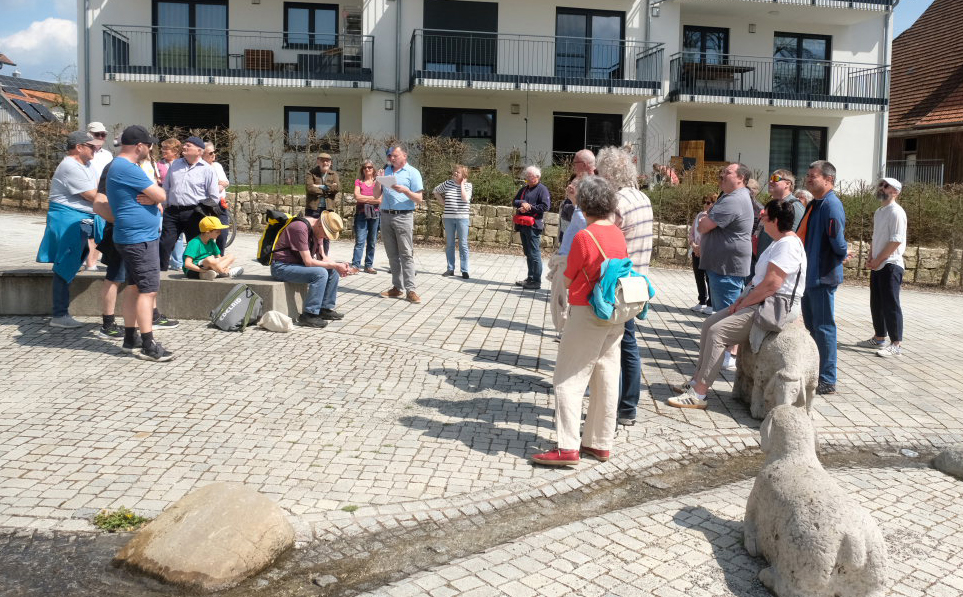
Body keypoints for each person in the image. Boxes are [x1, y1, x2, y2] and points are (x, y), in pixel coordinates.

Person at [668, 200, 807, 409]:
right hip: (761, 298)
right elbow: (760, 280)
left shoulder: (788, 245)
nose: (761, 221)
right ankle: (695, 381)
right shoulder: (779, 242)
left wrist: (743, 304)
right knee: (708, 324)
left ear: (776, 221)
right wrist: (741, 299)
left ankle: (699, 393)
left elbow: (772, 284)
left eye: (764, 217)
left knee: (717, 332)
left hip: (776, 305)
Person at [532, 176, 627, 466]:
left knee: (568, 378)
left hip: (587, 312)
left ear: (584, 204)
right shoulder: (617, 233)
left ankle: (567, 447)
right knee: (606, 377)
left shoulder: (585, 236)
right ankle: (599, 443)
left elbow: (569, 276)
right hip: (614, 313)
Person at [105, 125, 173, 362]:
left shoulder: (120, 166)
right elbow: (162, 195)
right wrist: (155, 199)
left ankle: (129, 338)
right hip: (139, 239)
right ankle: (148, 345)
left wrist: (153, 200)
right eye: (149, 145)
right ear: (139, 146)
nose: (151, 149)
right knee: (148, 290)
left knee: (134, 288)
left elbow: (155, 197)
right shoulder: (127, 167)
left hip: (133, 236)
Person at [596, 146, 653, 427]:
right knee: (628, 344)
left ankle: (618, 406)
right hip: (639, 279)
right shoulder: (642, 197)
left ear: (608, 173)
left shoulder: (617, 202)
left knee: (615, 347)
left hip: (619, 283)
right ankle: (628, 406)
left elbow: (603, 239)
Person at [36, 130, 100, 328]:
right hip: (69, 218)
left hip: (82, 217)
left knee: (74, 259)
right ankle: (59, 314)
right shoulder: (70, 166)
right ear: (79, 147)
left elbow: (98, 191)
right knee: (66, 261)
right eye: (91, 146)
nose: (95, 149)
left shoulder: (87, 165)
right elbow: (91, 194)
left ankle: (61, 312)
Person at [798, 160, 848, 395]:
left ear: (829, 180)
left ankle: (827, 379)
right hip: (809, 277)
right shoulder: (815, 203)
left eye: (813, 176)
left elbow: (837, 240)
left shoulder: (831, 205)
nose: (808, 179)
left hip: (822, 277)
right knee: (812, 326)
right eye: (808, 175)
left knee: (824, 328)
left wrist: (844, 253)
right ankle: (815, 372)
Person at [699, 163, 755, 371]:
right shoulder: (731, 197)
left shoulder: (734, 199)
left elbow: (704, 225)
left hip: (726, 266)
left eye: (728, 172)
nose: (722, 175)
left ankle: (729, 355)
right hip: (724, 264)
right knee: (727, 308)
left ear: (741, 178)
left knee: (727, 311)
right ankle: (729, 352)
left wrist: (705, 218)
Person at [269, 211, 350, 328]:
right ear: (320, 225)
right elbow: (309, 262)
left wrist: (339, 266)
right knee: (321, 273)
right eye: (326, 234)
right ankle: (309, 315)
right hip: (281, 267)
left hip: (296, 265)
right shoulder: (300, 228)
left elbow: (322, 258)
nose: (326, 237)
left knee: (332, 271)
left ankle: (324, 308)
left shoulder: (317, 229)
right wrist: (335, 265)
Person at [159, 135, 220, 272]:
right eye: (185, 144)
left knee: (195, 244)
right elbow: (166, 187)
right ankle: (160, 273)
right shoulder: (175, 164)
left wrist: (204, 211)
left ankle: (195, 272)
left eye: (188, 145)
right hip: (173, 211)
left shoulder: (207, 169)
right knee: (165, 243)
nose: (184, 147)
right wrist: (165, 205)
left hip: (194, 213)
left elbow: (214, 197)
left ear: (199, 151)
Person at [863, 177, 907, 358]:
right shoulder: (879, 211)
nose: (881, 188)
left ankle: (896, 344)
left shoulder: (896, 212)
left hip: (891, 264)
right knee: (876, 302)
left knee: (890, 304)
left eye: (886, 186)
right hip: (878, 263)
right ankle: (879, 337)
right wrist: (871, 257)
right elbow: (876, 237)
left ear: (895, 192)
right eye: (880, 185)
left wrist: (879, 259)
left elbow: (896, 240)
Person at [375, 144, 424, 304]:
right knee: (392, 254)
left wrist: (405, 191)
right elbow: (376, 195)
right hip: (385, 215)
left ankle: (411, 290)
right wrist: (378, 181)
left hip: (403, 216)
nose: (391, 158)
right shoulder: (386, 171)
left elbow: (419, 198)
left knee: (406, 254)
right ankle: (397, 287)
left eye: (395, 156)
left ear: (404, 156)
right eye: (390, 156)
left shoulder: (413, 172)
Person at [547, 180, 588, 339]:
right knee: (561, 300)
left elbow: (587, 231)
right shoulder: (577, 209)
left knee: (561, 300)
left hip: (568, 262)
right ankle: (566, 331)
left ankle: (565, 333)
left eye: (575, 186)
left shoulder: (581, 212)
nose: (570, 187)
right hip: (565, 259)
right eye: (570, 183)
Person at [513, 165, 551, 290]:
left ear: (537, 177)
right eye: (527, 176)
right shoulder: (524, 189)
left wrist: (529, 207)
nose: (527, 178)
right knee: (528, 252)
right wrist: (522, 203)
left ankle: (536, 281)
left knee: (534, 253)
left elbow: (545, 206)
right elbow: (514, 201)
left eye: (530, 176)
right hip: (523, 224)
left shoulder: (542, 189)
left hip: (534, 225)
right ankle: (530, 278)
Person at [433, 164, 473, 278]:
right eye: (454, 171)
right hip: (449, 218)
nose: (455, 173)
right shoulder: (448, 183)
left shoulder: (468, 185)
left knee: (463, 244)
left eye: (458, 172)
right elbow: (435, 191)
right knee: (450, 244)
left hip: (462, 218)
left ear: (464, 175)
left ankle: (464, 270)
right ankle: (450, 269)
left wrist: (462, 185)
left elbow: (465, 198)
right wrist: (442, 202)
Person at [757, 170, 805, 255]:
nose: (771, 181)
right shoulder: (773, 205)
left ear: (787, 184)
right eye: (770, 178)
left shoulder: (794, 206)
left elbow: (796, 236)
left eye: (775, 178)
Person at [689, 193, 717, 315]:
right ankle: (702, 301)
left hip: (708, 252)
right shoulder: (699, 215)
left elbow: (712, 236)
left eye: (708, 202)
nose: (706, 205)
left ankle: (711, 303)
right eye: (704, 202)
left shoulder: (714, 217)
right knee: (698, 276)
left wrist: (701, 248)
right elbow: (691, 232)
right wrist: (693, 245)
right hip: (695, 250)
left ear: (714, 204)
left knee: (709, 278)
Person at [202, 142, 231, 254]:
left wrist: (218, 184)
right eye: (210, 153)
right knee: (206, 232)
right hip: (205, 203)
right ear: (202, 154)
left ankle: (220, 255)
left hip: (220, 203)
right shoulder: (200, 167)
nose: (214, 154)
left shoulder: (217, 166)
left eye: (214, 152)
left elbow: (226, 182)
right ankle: (204, 255)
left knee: (223, 231)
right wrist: (218, 184)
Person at [352, 160, 380, 274]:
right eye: (365, 167)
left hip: (375, 214)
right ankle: (355, 265)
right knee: (360, 241)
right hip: (361, 213)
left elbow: (380, 199)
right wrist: (372, 199)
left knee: (372, 241)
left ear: (373, 169)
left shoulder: (378, 182)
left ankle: (368, 265)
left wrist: (364, 199)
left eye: (369, 167)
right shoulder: (358, 182)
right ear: (362, 170)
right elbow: (357, 197)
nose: (367, 169)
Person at [305, 152, 340, 218]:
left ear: (331, 163)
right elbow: (310, 188)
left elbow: (337, 188)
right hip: (313, 209)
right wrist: (329, 187)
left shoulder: (333, 174)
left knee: (327, 225)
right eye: (322, 161)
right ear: (318, 162)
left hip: (328, 208)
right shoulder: (311, 173)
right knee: (311, 225)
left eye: (327, 161)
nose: (325, 163)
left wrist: (319, 186)